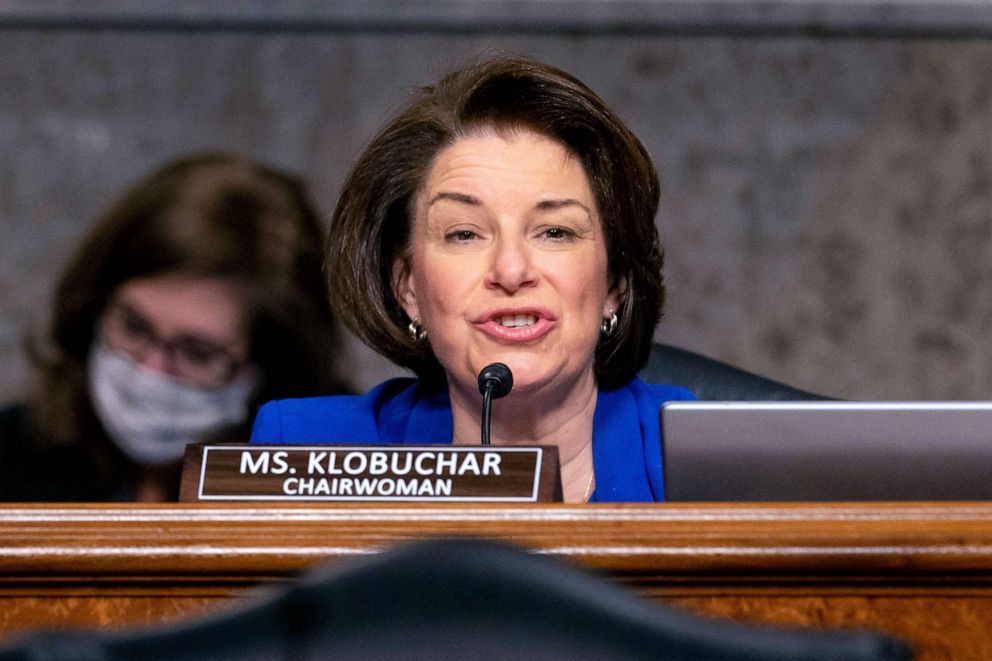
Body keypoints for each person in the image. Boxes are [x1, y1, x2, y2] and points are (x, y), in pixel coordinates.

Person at [250, 56, 695, 503]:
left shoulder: (707, 456)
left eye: (555, 232)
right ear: (407, 288)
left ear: (615, 284)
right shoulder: (307, 448)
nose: (511, 270)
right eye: (464, 234)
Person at [0, 153, 349, 502]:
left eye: (197, 353)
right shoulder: (11, 455)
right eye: (134, 327)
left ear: (273, 373)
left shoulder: (345, 479)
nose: (150, 371)